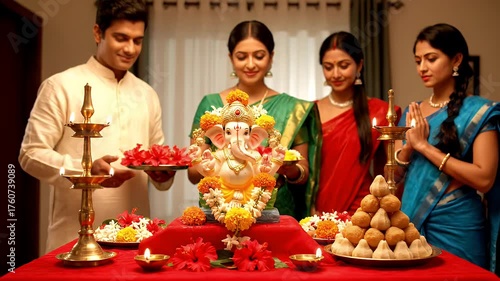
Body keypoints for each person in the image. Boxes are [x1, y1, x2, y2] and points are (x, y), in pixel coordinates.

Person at [18, 0, 175, 253]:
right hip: (73, 239)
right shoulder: (61, 86)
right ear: (97, 33)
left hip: (135, 240)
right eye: (121, 38)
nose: (130, 48)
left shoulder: (147, 94)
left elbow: (157, 160)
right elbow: (30, 154)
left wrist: (163, 174)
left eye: (137, 40)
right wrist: (87, 170)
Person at [187, 20, 322, 220]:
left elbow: (303, 173)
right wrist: (207, 165)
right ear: (231, 58)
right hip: (219, 212)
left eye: (259, 56)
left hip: (275, 211)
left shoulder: (292, 109)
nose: (250, 64)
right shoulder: (210, 104)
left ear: (271, 57)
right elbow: (192, 175)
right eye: (242, 57)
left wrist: (288, 169)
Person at [395, 23, 500, 271]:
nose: (422, 67)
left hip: (458, 223)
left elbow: (485, 179)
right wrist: (409, 148)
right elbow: (396, 177)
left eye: (431, 59)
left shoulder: (479, 112)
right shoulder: (413, 113)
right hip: (412, 223)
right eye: (418, 60)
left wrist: (423, 146)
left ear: (456, 60)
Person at [313, 31, 400, 215]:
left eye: (343, 66)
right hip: (317, 209)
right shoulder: (311, 111)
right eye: (328, 67)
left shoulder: (381, 111)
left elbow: (393, 169)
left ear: (359, 65)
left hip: (364, 209)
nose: (335, 74)